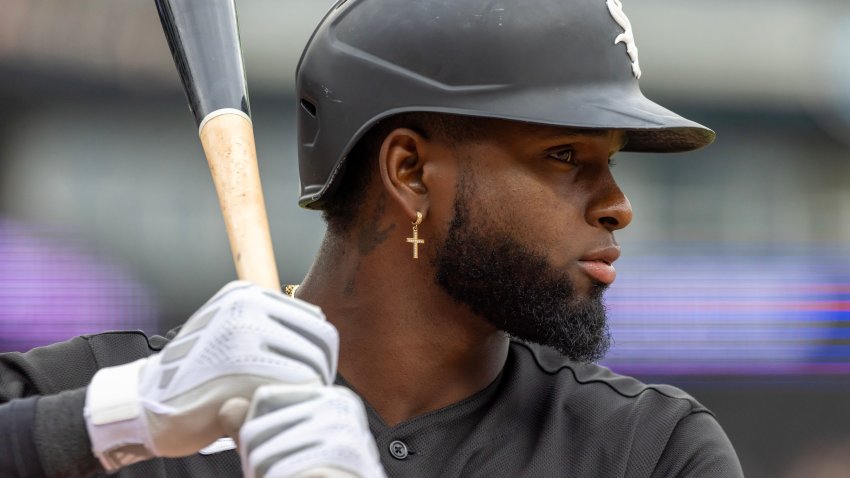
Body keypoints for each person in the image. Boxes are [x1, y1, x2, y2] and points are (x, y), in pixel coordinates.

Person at [0, 0, 744, 476]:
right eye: (564, 157)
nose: (617, 206)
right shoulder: (125, 390)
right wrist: (125, 416)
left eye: (607, 161)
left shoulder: (648, 451)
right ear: (410, 170)